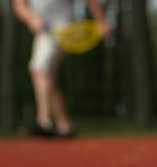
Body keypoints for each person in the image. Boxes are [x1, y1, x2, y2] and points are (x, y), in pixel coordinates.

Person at [13, 0, 110, 138]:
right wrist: (31, 18)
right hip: (45, 31)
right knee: (47, 78)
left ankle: (43, 122)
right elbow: (19, 6)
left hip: (65, 29)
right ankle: (65, 126)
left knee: (39, 68)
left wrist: (102, 21)